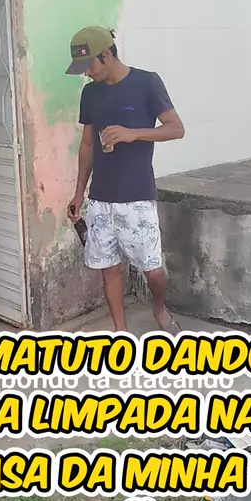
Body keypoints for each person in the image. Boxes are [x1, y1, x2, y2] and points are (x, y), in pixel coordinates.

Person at [66, 26, 185, 334]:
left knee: (153, 271)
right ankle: (121, 332)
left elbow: (176, 128)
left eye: (90, 65)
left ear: (106, 55)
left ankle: (159, 307)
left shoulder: (147, 82)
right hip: (100, 198)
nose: (87, 73)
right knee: (109, 270)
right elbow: (87, 145)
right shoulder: (90, 93)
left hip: (137, 196)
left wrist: (133, 134)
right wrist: (79, 193)